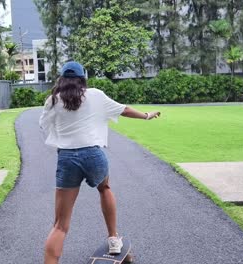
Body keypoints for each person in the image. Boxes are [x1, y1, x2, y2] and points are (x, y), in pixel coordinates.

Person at [39, 61, 161, 264]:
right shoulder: (95, 94)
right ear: (82, 78)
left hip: (67, 158)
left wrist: (63, 138)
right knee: (105, 188)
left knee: (60, 225)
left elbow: (44, 125)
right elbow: (124, 110)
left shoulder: (53, 99)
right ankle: (114, 239)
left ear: (62, 79)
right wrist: (147, 115)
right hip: (93, 154)